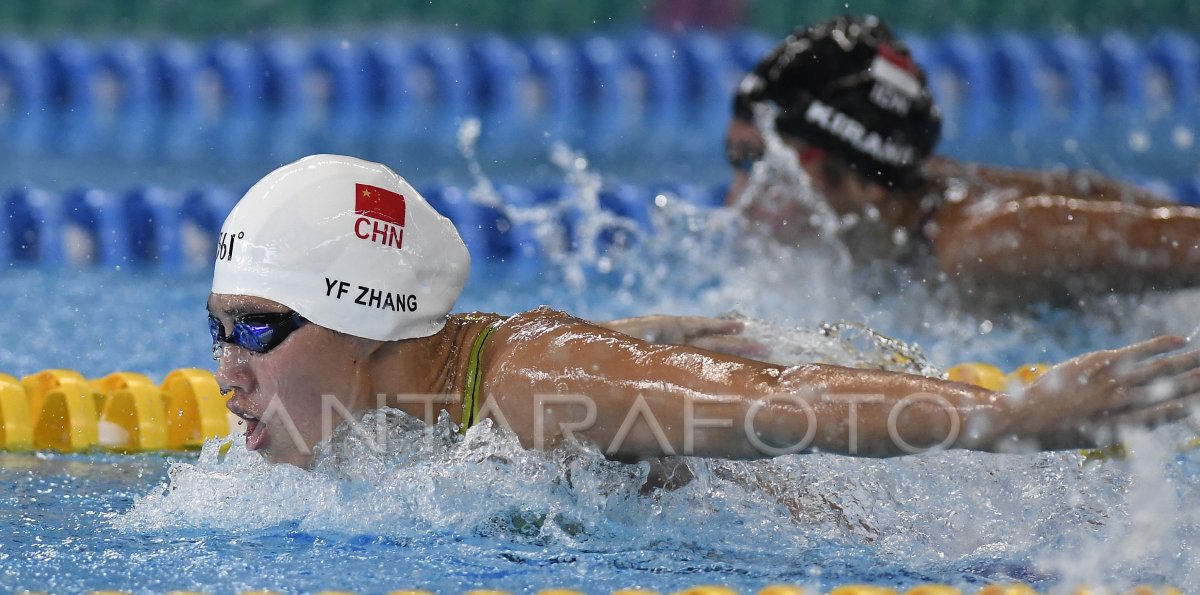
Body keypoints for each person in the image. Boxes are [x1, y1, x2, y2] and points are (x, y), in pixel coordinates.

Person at [209, 154, 1200, 469]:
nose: (226, 369)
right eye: (217, 328)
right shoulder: (432, 394)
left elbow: (785, 402)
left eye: (255, 327)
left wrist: (1008, 416)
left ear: (363, 318)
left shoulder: (540, 384)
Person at [726, 15, 1200, 310]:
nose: (735, 199)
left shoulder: (984, 244)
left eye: (756, 164)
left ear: (854, 176)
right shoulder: (898, 210)